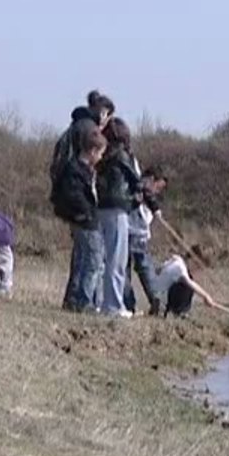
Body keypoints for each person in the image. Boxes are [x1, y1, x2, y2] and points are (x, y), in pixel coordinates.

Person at [52, 124, 108, 312]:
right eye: (100, 153)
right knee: (93, 261)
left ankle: (77, 299)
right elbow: (75, 196)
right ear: (92, 151)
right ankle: (85, 300)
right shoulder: (75, 171)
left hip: (84, 220)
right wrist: (88, 212)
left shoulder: (84, 170)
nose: (101, 158)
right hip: (85, 221)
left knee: (84, 260)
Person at [96, 118, 141, 318]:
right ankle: (113, 305)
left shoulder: (102, 155)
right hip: (118, 208)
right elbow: (136, 181)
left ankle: (101, 302)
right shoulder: (122, 155)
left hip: (101, 207)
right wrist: (139, 198)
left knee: (104, 259)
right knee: (117, 259)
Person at [125, 166, 169, 316]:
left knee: (127, 268)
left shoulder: (135, 185)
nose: (157, 191)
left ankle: (129, 304)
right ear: (152, 180)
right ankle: (155, 301)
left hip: (131, 231)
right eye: (158, 187)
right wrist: (155, 209)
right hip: (135, 232)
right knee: (143, 267)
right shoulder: (142, 185)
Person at [48, 91, 116, 187]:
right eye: (108, 117)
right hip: (74, 182)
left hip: (64, 180)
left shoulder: (76, 124)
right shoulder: (90, 130)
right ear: (103, 113)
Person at [151, 252, 221, 316]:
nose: (198, 270)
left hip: (157, 295)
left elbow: (158, 270)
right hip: (161, 300)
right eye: (198, 267)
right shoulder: (180, 268)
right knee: (187, 285)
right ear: (193, 260)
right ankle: (178, 311)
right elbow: (190, 283)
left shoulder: (176, 260)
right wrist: (206, 296)